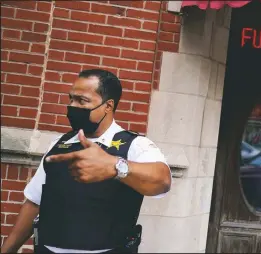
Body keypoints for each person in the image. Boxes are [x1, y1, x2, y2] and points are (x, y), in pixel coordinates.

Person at [1, 69, 172, 253]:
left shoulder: (134, 145)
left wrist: (116, 166)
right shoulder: (60, 144)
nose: (73, 106)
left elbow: (162, 181)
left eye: (82, 101)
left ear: (108, 106)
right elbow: (34, 202)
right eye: (71, 99)